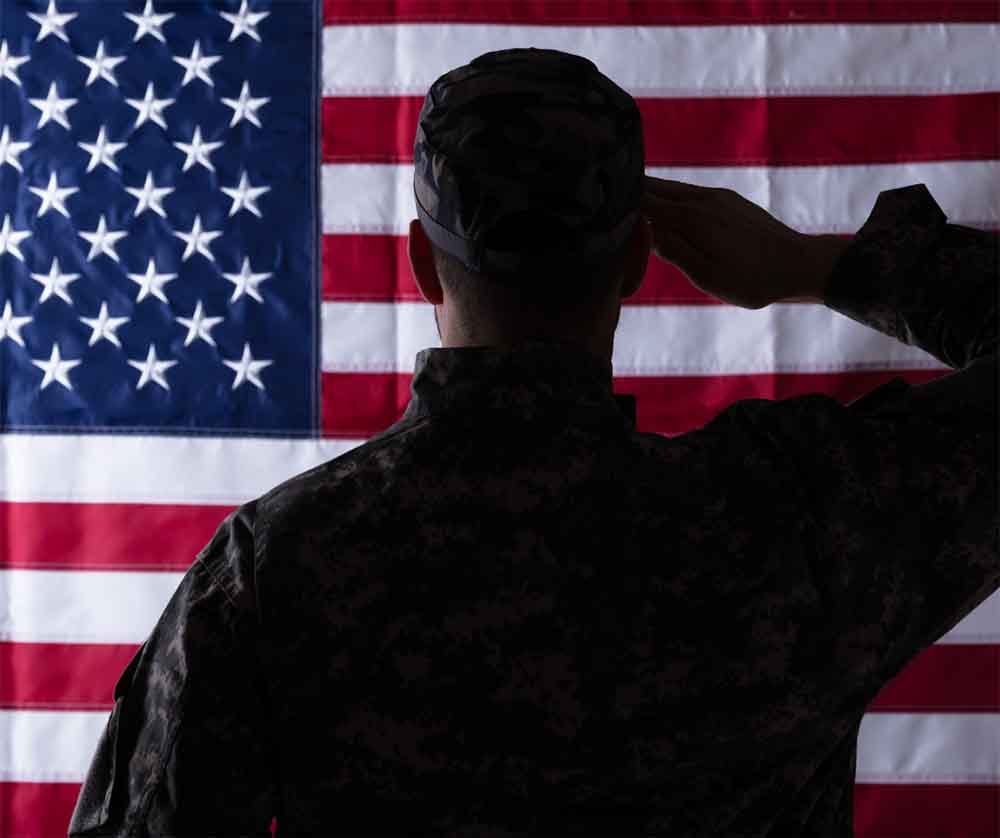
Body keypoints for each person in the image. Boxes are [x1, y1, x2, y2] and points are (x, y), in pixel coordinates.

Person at [69, 47, 997, 837]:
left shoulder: (277, 567)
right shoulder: (800, 518)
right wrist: (819, 266)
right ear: (636, 260)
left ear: (420, 260)